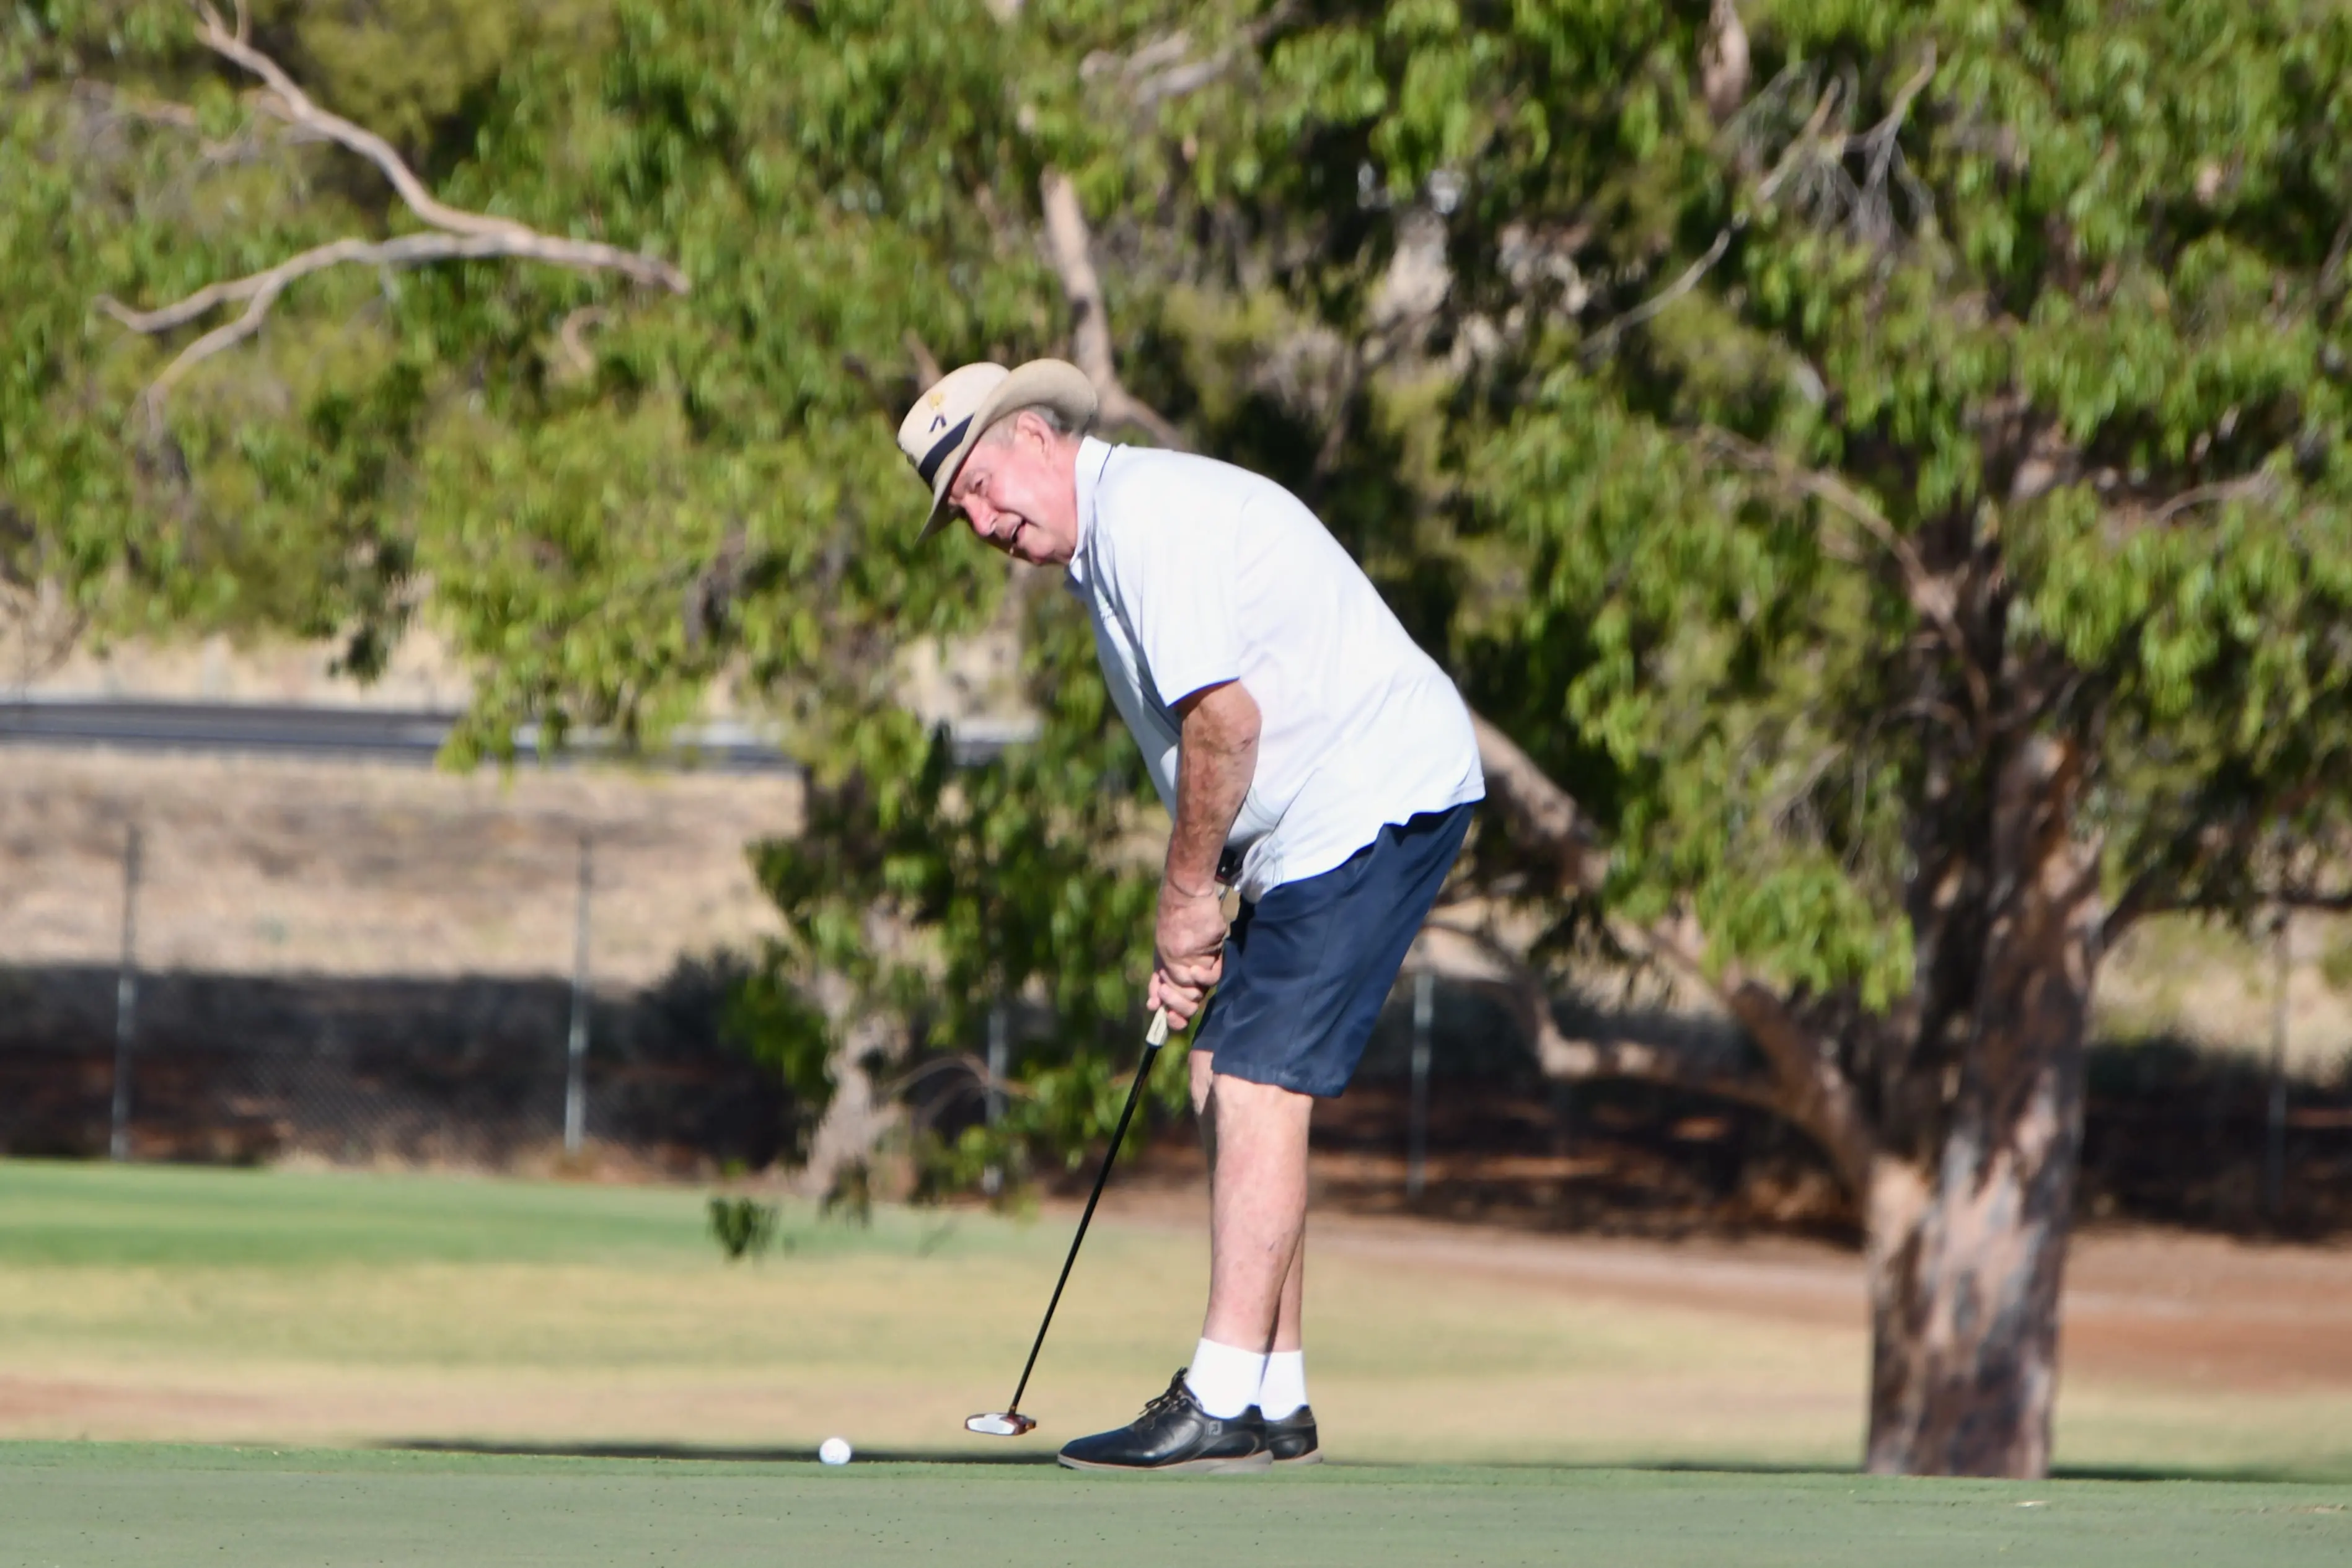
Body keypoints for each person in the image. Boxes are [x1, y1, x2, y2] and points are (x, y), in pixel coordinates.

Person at [895, 358, 1484, 1473]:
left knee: (1260, 1077)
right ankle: (1273, 1393)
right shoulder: (1103, 550)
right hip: (1304, 825)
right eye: (959, 510)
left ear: (1034, 434)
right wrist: (1209, 904)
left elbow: (1223, 723)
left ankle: (1216, 1395)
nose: (981, 519)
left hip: (1368, 794)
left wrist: (1183, 898)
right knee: (1223, 1068)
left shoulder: (1146, 518)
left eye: (979, 482)